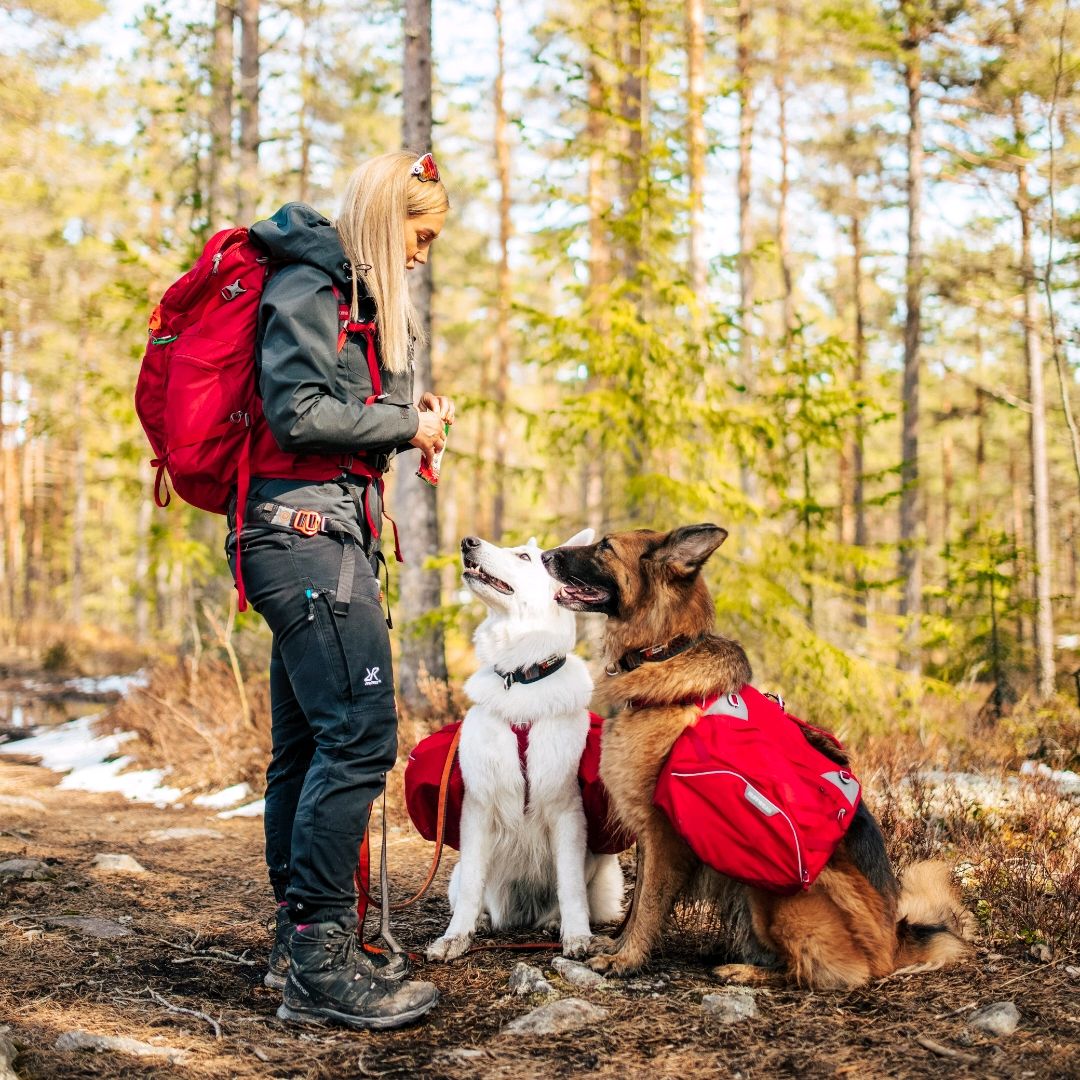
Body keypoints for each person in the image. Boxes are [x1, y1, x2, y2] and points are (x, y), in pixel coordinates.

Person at [226, 150, 453, 1030]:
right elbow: (296, 412)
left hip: (314, 531)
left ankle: (299, 947)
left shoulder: (338, 295)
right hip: (304, 539)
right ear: (382, 216)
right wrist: (406, 422)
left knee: (306, 748)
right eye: (419, 233)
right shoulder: (310, 289)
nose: (424, 252)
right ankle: (321, 961)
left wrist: (406, 423)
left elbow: (327, 410)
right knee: (358, 739)